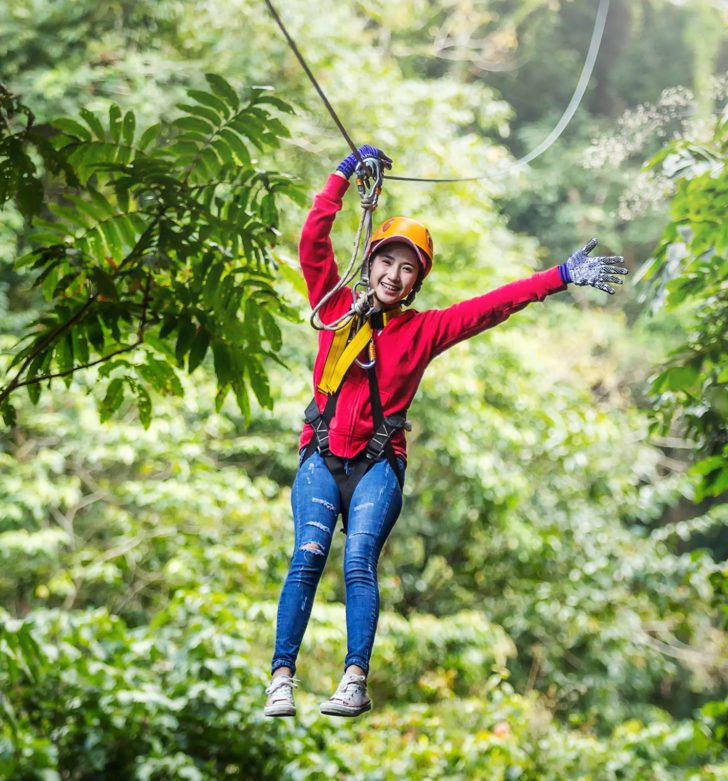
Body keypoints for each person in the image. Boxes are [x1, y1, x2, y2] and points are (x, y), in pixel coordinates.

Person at [265, 145, 627, 718]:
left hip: (379, 465)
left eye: (408, 269)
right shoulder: (334, 307)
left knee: (359, 560)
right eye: (387, 261)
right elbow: (312, 240)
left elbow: (492, 306)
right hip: (322, 455)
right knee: (307, 555)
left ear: (415, 284)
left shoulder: (424, 331)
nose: (394, 274)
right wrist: (340, 176)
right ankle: (281, 678)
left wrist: (559, 277)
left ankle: (353, 680)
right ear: (372, 262)